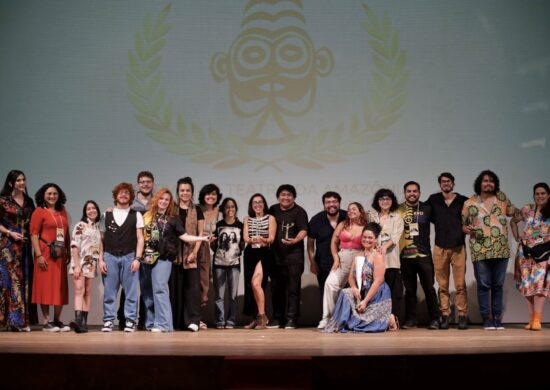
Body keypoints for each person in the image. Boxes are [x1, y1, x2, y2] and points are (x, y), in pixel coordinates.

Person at [141, 188, 208, 332]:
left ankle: (164, 324)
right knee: (148, 292)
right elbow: (140, 237)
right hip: (146, 258)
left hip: (164, 258)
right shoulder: (146, 216)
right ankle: (154, 322)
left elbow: (184, 236)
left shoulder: (173, 219)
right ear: (156, 200)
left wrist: (201, 238)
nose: (164, 202)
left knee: (160, 290)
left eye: (167, 200)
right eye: (161, 199)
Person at [462, 170, 516, 330]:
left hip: (501, 250)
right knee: (484, 285)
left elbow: (516, 213)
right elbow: (463, 225)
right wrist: (466, 229)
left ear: (495, 184)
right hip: (480, 250)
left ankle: (497, 318)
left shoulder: (502, 198)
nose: (488, 183)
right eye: (485, 181)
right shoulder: (469, 203)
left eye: (491, 181)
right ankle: (486, 318)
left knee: (498, 285)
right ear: (479, 183)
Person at [323, 223, 395, 333]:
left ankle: (390, 318)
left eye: (370, 237)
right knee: (345, 293)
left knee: (366, 324)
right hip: (362, 291)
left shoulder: (378, 256)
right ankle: (339, 322)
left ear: (376, 239)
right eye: (364, 237)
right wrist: (353, 288)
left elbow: (378, 281)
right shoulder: (358, 255)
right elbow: (351, 277)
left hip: (377, 295)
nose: (367, 240)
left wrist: (365, 301)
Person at [99, 182, 144, 332]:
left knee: (131, 291)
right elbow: (101, 239)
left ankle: (131, 320)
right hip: (109, 256)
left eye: (127, 193)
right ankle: (108, 321)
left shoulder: (136, 214)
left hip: (129, 256)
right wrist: (100, 259)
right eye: (121, 192)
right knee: (109, 292)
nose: (123, 195)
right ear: (116, 195)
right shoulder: (105, 215)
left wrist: (137, 259)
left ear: (131, 196)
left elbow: (140, 239)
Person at [426, 173, 469, 330]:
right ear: (440, 184)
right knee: (442, 285)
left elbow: (472, 216)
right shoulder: (433, 199)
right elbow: (424, 213)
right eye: (443, 182)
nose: (446, 184)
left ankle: (462, 315)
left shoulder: (463, 200)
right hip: (440, 248)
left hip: (458, 247)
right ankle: (445, 315)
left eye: (448, 181)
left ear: (453, 183)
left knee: (460, 285)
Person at [397, 181, 440, 330]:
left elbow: (441, 222)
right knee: (409, 290)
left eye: (415, 191)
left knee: (429, 288)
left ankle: (435, 318)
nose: (412, 194)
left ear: (419, 193)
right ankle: (411, 319)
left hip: (424, 255)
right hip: (405, 256)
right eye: (409, 191)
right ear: (404, 193)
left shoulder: (428, 208)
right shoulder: (398, 210)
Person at [318, 202, 366, 329]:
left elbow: (370, 243)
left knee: (358, 289)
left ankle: (357, 319)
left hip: (359, 259)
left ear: (360, 211)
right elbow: (333, 243)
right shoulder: (342, 225)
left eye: (354, 209)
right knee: (330, 284)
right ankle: (329, 318)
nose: (350, 211)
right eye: (349, 209)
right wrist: (335, 259)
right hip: (343, 258)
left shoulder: (366, 226)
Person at [30, 183, 70, 332]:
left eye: (55, 193)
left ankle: (57, 320)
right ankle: (46, 322)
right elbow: (34, 235)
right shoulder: (39, 211)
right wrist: (39, 255)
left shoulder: (62, 211)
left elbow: (65, 232)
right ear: (43, 195)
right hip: (45, 253)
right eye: (49, 193)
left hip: (60, 253)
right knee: (46, 286)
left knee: (59, 286)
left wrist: (69, 251)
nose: (52, 196)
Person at [268, 184, 308, 329]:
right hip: (275, 256)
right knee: (276, 289)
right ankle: (277, 319)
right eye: (283, 195)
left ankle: (292, 319)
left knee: (293, 289)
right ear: (278, 197)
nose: (285, 197)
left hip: (294, 257)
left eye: (289, 195)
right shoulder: (272, 210)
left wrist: (296, 240)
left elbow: (304, 230)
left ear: (294, 197)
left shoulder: (300, 211)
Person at [119, 171, 155, 330]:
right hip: (132, 249)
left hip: (152, 250)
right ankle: (124, 319)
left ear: (153, 183)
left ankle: (145, 320)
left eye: (148, 181)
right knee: (129, 286)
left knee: (147, 287)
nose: (145, 184)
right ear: (138, 184)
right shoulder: (131, 202)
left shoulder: (157, 201)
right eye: (142, 182)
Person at [511, 182, 549, 331]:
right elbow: (513, 222)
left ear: (548, 195)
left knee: (539, 286)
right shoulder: (527, 209)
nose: (540, 196)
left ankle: (538, 319)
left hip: (543, 253)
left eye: (543, 193)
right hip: (525, 252)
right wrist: (516, 236)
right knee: (526, 286)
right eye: (537, 193)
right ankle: (532, 319)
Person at [0, 170, 35, 331]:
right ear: (10, 183)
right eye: (18, 180)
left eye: (23, 179)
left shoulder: (29, 201)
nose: (22, 182)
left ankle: (22, 321)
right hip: (8, 246)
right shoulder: (3, 200)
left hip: (25, 246)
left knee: (24, 281)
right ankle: (12, 321)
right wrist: (9, 232)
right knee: (10, 282)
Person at [169, 177, 205, 332]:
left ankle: (193, 321)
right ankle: (175, 321)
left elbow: (200, 233)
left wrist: (194, 253)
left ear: (192, 192)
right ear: (178, 192)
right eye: (182, 190)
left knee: (192, 289)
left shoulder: (197, 209)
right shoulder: (172, 208)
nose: (185, 193)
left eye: (188, 190)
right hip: (174, 254)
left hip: (191, 254)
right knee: (174, 289)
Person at [368, 188, 404, 325]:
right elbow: (368, 234)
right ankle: (377, 319)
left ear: (392, 201)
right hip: (375, 259)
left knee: (394, 291)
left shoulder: (397, 218)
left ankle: (394, 319)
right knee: (376, 290)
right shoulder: (372, 217)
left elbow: (395, 237)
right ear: (377, 201)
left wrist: (384, 247)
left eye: (388, 199)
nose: (385, 201)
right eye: (382, 199)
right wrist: (376, 246)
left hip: (391, 259)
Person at [242, 193, 276, 329]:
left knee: (256, 284)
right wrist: (251, 240)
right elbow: (245, 237)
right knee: (251, 287)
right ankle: (256, 318)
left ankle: (262, 317)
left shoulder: (270, 218)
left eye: (260, 202)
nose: (257, 204)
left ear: (264, 204)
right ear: (251, 205)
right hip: (250, 253)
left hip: (264, 253)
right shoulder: (246, 219)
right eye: (254, 202)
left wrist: (263, 240)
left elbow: (272, 238)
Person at [307, 192, 347, 306]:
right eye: (328, 202)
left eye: (334, 202)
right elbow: (310, 243)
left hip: (347, 263)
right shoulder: (316, 220)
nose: (331, 205)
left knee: (346, 293)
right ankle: (329, 320)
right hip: (323, 263)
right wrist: (312, 262)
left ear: (339, 203)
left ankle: (345, 320)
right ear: (324, 204)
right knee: (326, 293)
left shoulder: (348, 217)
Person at [69, 200, 102, 333]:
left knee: (87, 293)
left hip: (91, 264)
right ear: (85, 212)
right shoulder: (80, 225)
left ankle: (83, 324)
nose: (91, 210)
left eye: (94, 208)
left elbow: (99, 246)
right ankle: (77, 320)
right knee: (79, 290)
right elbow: (74, 246)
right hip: (80, 263)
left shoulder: (97, 228)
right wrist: (77, 266)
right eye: (88, 209)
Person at [211, 198, 244, 329]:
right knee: (219, 295)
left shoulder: (240, 225)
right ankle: (220, 320)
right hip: (219, 263)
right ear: (224, 209)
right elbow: (214, 244)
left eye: (232, 206)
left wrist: (236, 252)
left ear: (236, 208)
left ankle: (231, 320)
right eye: (227, 207)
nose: (230, 209)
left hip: (234, 264)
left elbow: (243, 244)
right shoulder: (218, 225)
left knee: (233, 295)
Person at [198, 183, 222, 329]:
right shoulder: (197, 209)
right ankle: (197, 318)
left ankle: (221, 319)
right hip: (201, 250)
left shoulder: (220, 211)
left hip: (218, 253)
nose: (211, 197)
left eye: (214, 194)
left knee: (212, 288)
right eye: (208, 194)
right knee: (201, 285)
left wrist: (216, 238)